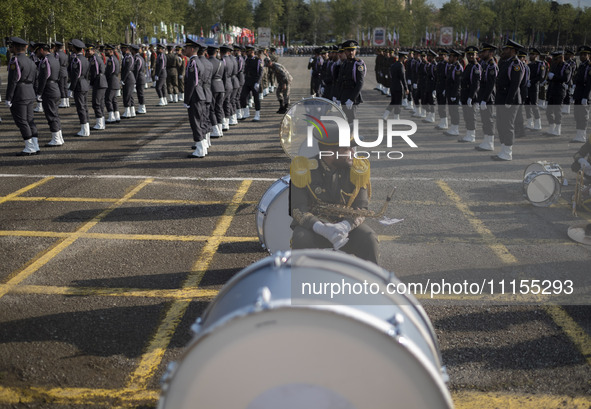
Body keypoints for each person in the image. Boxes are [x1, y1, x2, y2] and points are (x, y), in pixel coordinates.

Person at [289, 123, 379, 264]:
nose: (353, 153)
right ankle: (300, 282)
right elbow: (298, 209)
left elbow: (361, 208)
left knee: (369, 238)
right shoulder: (303, 170)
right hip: (315, 227)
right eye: (347, 149)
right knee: (301, 239)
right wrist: (321, 228)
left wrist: (345, 226)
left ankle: (372, 284)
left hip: (346, 228)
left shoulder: (357, 169)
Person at [491, 39, 525, 161]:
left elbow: (515, 84)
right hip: (502, 99)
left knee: (508, 126)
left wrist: (509, 101)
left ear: (512, 51)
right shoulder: (505, 62)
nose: (503, 51)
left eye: (506, 49)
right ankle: (503, 151)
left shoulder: (516, 64)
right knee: (500, 125)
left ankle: (508, 153)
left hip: (510, 100)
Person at [6, 37, 40, 155]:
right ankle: (35, 145)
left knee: (22, 121)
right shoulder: (31, 61)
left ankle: (29, 147)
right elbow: (36, 79)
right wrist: (35, 93)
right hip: (29, 92)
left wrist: (8, 97)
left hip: (19, 93)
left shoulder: (15, 61)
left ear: (15, 47)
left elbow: (13, 80)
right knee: (30, 120)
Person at [183, 39, 208, 158]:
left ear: (192, 49)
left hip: (195, 96)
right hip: (200, 95)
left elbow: (193, 82)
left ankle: (199, 150)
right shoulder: (197, 61)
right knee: (200, 121)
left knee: (196, 123)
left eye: (187, 48)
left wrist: (187, 99)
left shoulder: (193, 63)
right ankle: (202, 147)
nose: (184, 50)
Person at [334, 40, 366, 124]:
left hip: (352, 96)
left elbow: (360, 83)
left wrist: (351, 99)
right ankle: (349, 135)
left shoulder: (358, 64)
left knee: (352, 118)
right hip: (344, 95)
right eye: (348, 50)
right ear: (345, 51)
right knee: (345, 118)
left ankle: (354, 136)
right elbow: (340, 81)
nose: (351, 52)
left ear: (355, 51)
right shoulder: (344, 63)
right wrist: (338, 97)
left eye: (353, 50)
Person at [475, 43, 498, 151]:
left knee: (488, 121)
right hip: (484, 97)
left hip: (488, 98)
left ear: (490, 53)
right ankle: (486, 141)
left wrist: (485, 99)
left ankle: (490, 143)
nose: (482, 53)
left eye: (484, 52)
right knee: (484, 121)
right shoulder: (485, 64)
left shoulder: (492, 65)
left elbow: (490, 84)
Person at [545, 50, 572, 137]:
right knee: (548, 111)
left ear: (561, 58)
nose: (554, 61)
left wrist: (554, 77)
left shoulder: (567, 66)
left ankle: (557, 129)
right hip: (552, 89)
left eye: (556, 59)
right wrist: (548, 78)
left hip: (560, 90)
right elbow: (550, 77)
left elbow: (566, 79)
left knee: (557, 111)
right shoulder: (554, 65)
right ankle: (551, 127)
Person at [458, 46, 481, 142]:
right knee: (467, 116)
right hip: (465, 94)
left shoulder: (476, 67)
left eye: (473, 54)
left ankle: (471, 136)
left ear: (476, 55)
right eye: (469, 54)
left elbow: (476, 84)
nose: (471, 56)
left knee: (471, 116)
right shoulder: (468, 66)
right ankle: (468, 134)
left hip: (471, 95)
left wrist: (471, 97)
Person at [69, 39, 91, 137]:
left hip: (79, 85)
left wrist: (71, 88)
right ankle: (86, 127)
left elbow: (75, 76)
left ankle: (84, 129)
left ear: (74, 48)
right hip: (85, 83)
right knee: (85, 107)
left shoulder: (76, 60)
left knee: (81, 107)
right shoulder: (85, 59)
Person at [572, 45, 591, 143]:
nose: (582, 56)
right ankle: (578, 135)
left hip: (584, 94)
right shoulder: (582, 65)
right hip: (578, 93)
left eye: (585, 54)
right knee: (577, 115)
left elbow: (589, 83)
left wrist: (585, 96)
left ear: (589, 55)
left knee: (583, 116)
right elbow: (577, 78)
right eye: (581, 54)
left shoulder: (589, 66)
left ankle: (582, 136)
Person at [86, 44, 108, 130]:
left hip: (99, 82)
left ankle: (100, 123)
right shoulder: (94, 58)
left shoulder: (94, 59)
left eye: (89, 50)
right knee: (100, 103)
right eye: (87, 50)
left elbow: (96, 72)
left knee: (96, 103)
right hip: (101, 82)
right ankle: (101, 122)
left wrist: (91, 83)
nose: (87, 52)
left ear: (93, 51)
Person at [239, 45, 263, 122]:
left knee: (256, 98)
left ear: (252, 51)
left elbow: (260, 72)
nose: (246, 53)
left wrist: (258, 82)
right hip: (247, 81)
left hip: (255, 81)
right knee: (243, 96)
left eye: (248, 51)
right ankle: (246, 113)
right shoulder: (247, 59)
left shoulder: (258, 60)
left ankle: (257, 114)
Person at [383, 50, 408, 120]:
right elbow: (403, 78)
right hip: (398, 87)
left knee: (393, 102)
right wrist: (406, 88)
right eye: (405, 58)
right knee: (398, 103)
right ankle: (396, 118)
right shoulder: (401, 66)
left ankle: (385, 116)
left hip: (393, 86)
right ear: (402, 58)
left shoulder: (393, 65)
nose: (405, 60)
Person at [444, 49, 463, 137]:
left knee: (454, 111)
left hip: (454, 93)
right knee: (451, 111)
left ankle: (455, 129)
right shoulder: (451, 66)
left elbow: (458, 82)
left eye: (450, 57)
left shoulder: (458, 67)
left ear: (455, 58)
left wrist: (455, 94)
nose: (449, 58)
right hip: (450, 92)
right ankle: (453, 127)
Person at [207, 45, 225, 138]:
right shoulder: (221, 62)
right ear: (216, 52)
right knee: (219, 108)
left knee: (211, 109)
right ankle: (220, 128)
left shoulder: (208, 62)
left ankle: (215, 130)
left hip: (212, 87)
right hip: (220, 86)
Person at [104, 44, 121, 123]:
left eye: (106, 50)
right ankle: (116, 116)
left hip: (111, 81)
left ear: (110, 51)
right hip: (114, 81)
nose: (105, 52)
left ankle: (111, 117)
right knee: (113, 99)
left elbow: (111, 71)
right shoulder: (114, 58)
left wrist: (105, 77)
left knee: (108, 99)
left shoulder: (111, 59)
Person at [120, 44, 136, 118]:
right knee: (129, 95)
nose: (121, 50)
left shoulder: (128, 57)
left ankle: (127, 112)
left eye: (122, 49)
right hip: (129, 77)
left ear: (126, 49)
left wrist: (123, 79)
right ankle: (132, 111)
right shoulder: (126, 57)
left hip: (128, 78)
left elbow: (127, 69)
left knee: (127, 95)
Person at [131, 44, 147, 114]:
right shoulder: (140, 57)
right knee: (140, 93)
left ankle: (142, 108)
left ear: (134, 51)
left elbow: (136, 70)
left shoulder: (137, 58)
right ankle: (141, 107)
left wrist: (134, 80)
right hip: (141, 77)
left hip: (139, 78)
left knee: (140, 93)